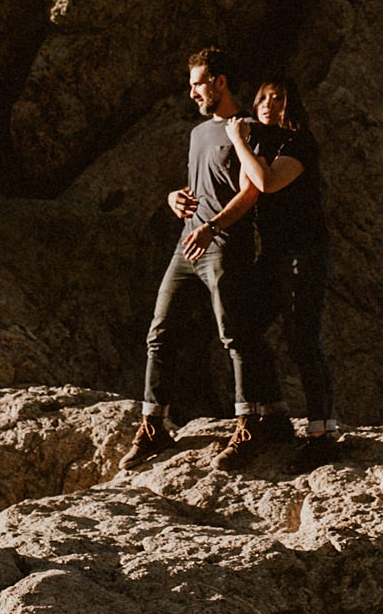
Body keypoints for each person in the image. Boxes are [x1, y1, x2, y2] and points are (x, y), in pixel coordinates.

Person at [124, 46, 292, 468]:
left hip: (224, 245)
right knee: (159, 332)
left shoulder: (249, 129)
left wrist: (214, 226)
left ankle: (251, 424)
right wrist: (172, 197)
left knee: (235, 335)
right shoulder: (199, 133)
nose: (193, 93)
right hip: (187, 244)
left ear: (220, 82)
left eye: (198, 84)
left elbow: (251, 192)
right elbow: (200, 183)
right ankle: (153, 426)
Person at [228, 76, 336, 446]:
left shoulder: (299, 143)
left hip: (304, 253)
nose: (268, 104)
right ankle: (271, 413)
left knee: (301, 339)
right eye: (263, 97)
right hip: (273, 255)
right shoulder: (262, 142)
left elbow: (267, 182)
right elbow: (245, 189)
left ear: (291, 105)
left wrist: (239, 141)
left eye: (278, 98)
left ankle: (322, 430)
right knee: (244, 325)